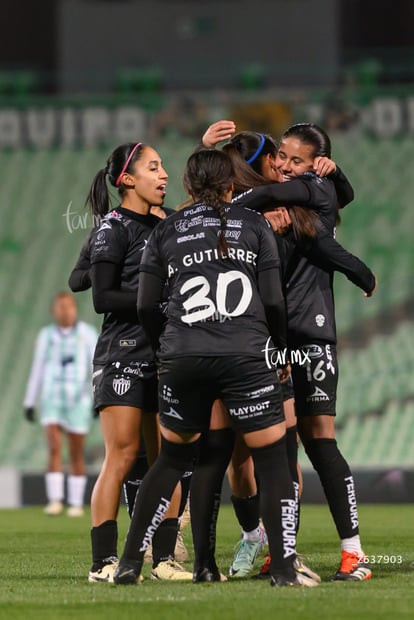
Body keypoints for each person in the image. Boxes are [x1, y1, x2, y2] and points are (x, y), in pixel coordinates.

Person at [113, 148, 317, 588]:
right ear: (231, 186)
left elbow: (146, 303)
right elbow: (274, 299)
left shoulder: (166, 229)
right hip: (244, 354)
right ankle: (283, 569)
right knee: (271, 458)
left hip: (183, 355)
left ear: (187, 187)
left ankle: (130, 564)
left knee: (171, 459)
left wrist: (163, 347)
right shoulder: (254, 224)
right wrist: (279, 349)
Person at [207, 122, 375, 582]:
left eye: (296, 159)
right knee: (280, 451)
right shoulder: (271, 208)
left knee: (320, 444)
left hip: (311, 337)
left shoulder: (314, 199)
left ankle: (354, 555)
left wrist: (333, 176)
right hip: (270, 342)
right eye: (281, 155)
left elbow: (334, 218)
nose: (284, 164)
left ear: (314, 167)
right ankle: (284, 554)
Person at [78, 141, 192, 583]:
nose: (163, 175)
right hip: (122, 355)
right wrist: (163, 300)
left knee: (168, 457)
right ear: (127, 180)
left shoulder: (165, 226)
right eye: (153, 168)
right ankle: (103, 562)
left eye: (163, 167)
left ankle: (164, 560)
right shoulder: (113, 229)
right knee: (122, 456)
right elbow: (102, 297)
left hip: (163, 356)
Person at [23, 291, 98, 517]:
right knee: (54, 446)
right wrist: (30, 401)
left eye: (68, 306)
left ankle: (75, 503)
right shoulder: (46, 336)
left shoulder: (86, 333)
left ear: (74, 308)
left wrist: (97, 398)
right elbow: (38, 368)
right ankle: (55, 500)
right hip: (52, 397)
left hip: (78, 398)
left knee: (76, 451)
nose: (65, 311)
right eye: (60, 307)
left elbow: (95, 367)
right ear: (54, 311)